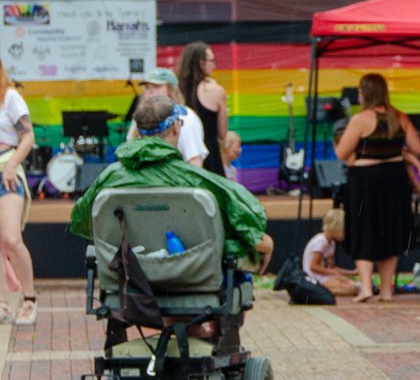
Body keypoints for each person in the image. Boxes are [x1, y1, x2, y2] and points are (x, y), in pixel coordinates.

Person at [70, 95, 273, 268]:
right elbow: (246, 219)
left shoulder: (108, 179)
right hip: (191, 274)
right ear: (176, 128)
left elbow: (82, 221)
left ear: (137, 132)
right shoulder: (196, 179)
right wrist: (266, 243)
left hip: (129, 272)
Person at [334, 73, 420, 303]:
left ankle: (366, 287)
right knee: (390, 232)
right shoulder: (399, 117)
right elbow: (418, 148)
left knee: (364, 230)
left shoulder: (361, 119)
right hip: (394, 180)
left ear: (365, 93)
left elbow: (341, 153)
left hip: (364, 180)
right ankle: (386, 289)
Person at [0, 58, 38, 326]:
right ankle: (1, 303)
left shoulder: (10, 97)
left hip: (6, 168)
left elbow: (28, 136)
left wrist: (13, 165)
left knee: (12, 238)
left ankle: (29, 298)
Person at [125, 67, 208, 167]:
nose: (150, 92)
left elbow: (194, 162)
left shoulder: (186, 117)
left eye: (156, 86)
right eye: (147, 87)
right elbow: (129, 152)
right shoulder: (140, 115)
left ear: (171, 89)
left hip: (175, 180)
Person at [175, 41, 229, 177]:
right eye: (211, 61)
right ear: (200, 63)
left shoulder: (175, 90)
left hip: (181, 154)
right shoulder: (215, 90)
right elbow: (223, 133)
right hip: (208, 154)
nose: (214, 65)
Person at [302, 208, 359, 298]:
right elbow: (313, 266)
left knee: (354, 285)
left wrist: (352, 272)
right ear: (335, 228)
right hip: (315, 278)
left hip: (325, 276)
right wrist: (333, 273)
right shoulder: (321, 241)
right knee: (352, 288)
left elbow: (331, 267)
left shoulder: (331, 243)